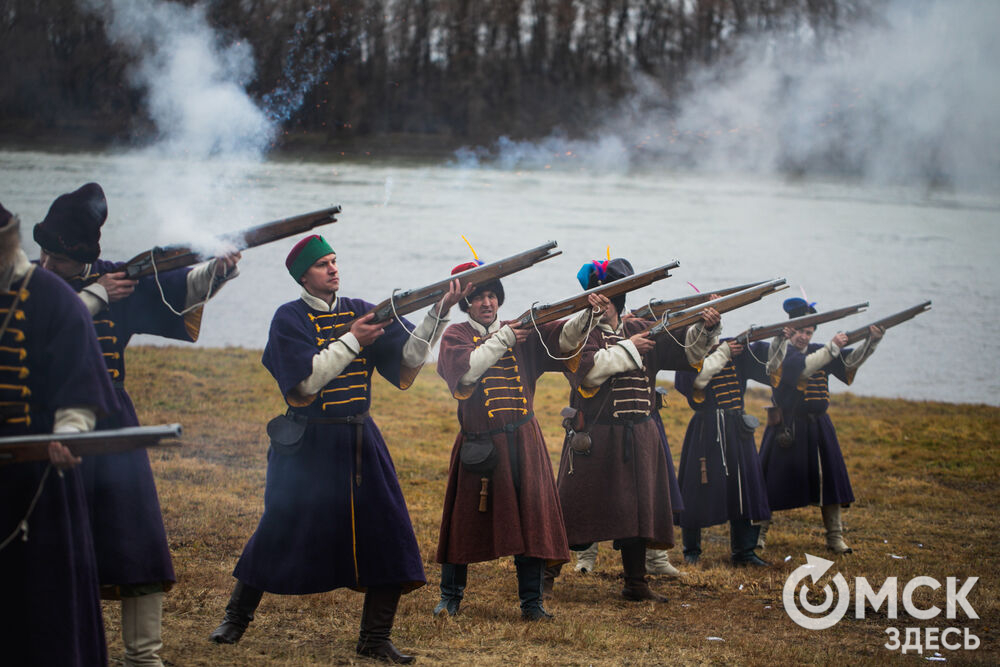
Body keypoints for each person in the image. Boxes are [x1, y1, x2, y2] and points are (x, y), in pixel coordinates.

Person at [211, 234, 464, 664]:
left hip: (360, 440)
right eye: (322, 264)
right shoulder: (287, 319)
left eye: (334, 261)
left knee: (390, 535)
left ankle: (375, 638)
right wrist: (352, 341)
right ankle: (236, 618)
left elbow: (408, 357)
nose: (332, 269)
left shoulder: (360, 309)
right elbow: (305, 384)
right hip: (308, 444)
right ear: (303, 276)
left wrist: (437, 315)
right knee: (278, 530)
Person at [34, 182, 240, 667]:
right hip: (48, 423)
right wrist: (95, 297)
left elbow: (180, 294)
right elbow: (39, 338)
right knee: (51, 543)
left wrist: (219, 269)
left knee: (137, 536)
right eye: (43, 254)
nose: (46, 265)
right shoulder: (35, 285)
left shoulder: (115, 276)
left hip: (114, 417)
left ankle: (143, 657)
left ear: (81, 256)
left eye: (55, 259)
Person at [433, 259, 597, 620]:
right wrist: (505, 338)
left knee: (533, 520)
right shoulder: (456, 335)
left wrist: (588, 314)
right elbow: (468, 370)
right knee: (462, 523)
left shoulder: (520, 330)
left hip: (524, 440)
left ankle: (532, 603)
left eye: (492, 295)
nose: (487, 303)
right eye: (479, 298)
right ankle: (450, 596)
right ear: (467, 303)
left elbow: (565, 338)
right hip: (481, 443)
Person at [550, 258, 716, 602]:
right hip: (596, 437)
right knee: (573, 509)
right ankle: (542, 578)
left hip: (639, 434)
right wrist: (631, 348)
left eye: (610, 297)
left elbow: (687, 352)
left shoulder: (640, 326)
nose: (604, 303)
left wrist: (705, 327)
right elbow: (590, 373)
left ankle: (636, 584)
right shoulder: (580, 333)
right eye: (599, 296)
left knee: (638, 511)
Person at [0, 202, 119, 666]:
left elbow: (78, 390)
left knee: (42, 614)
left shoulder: (51, 298)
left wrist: (68, 435)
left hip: (35, 477)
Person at [757, 297, 884, 554]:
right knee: (768, 482)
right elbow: (803, 368)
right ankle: (757, 534)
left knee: (830, 483)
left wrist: (871, 342)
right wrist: (832, 347)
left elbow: (849, 363)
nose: (804, 337)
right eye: (800, 331)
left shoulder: (821, 349)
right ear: (790, 330)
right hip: (787, 426)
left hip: (818, 425)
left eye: (808, 331)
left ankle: (834, 537)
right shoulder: (782, 352)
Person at [673, 326, 773, 567]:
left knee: (745, 486)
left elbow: (770, 367)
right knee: (696, 488)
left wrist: (780, 338)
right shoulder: (692, 355)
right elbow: (697, 381)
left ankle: (744, 551)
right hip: (706, 427)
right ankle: (691, 551)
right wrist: (724, 352)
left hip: (737, 426)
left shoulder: (734, 351)